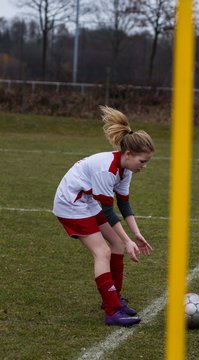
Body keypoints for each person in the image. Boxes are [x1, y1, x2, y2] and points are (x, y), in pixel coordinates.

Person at [53, 105, 155, 327]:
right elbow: (108, 212)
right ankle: (112, 311)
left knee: (117, 244)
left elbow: (124, 205)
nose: (144, 166)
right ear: (128, 154)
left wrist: (135, 235)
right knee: (103, 251)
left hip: (85, 201)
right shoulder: (106, 170)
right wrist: (128, 241)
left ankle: (113, 299)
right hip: (71, 203)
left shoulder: (125, 169)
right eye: (142, 161)